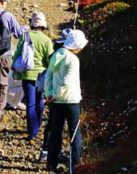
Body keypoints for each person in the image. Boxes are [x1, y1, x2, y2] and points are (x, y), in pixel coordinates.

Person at [44, 28, 88, 172]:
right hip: (71, 101)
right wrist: (56, 95)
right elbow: (67, 82)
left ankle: (51, 163)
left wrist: (50, 94)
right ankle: (75, 165)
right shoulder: (73, 59)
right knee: (74, 133)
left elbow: (49, 75)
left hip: (56, 102)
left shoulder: (56, 55)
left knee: (56, 132)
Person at [12, 11, 54, 146]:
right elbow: (50, 59)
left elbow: (17, 54)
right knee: (39, 100)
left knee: (30, 103)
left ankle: (32, 131)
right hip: (41, 75)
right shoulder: (46, 40)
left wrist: (14, 68)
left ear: (32, 23)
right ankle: (38, 124)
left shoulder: (24, 36)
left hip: (27, 74)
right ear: (43, 25)